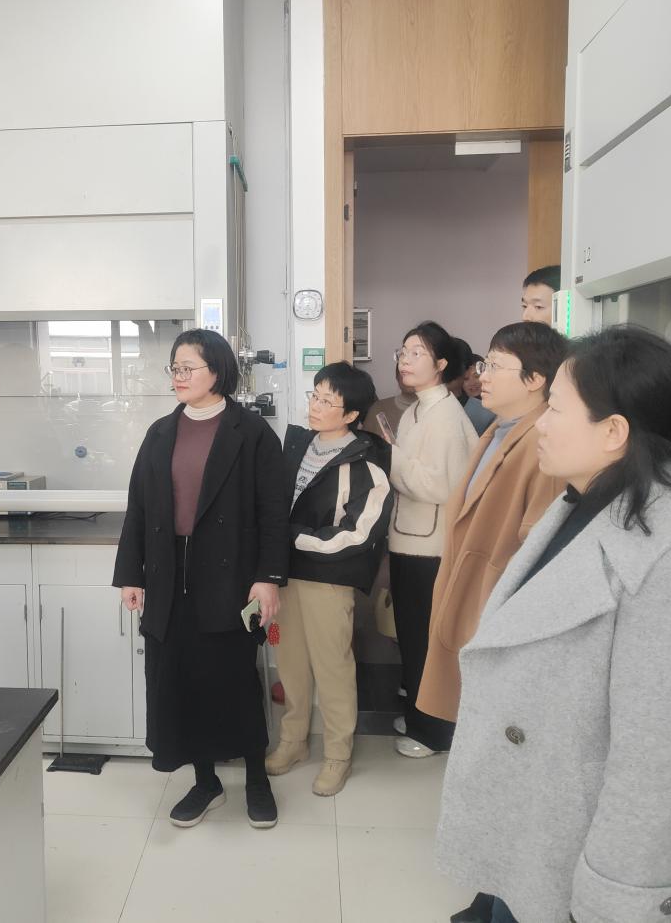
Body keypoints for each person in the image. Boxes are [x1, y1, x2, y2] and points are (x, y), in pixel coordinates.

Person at [435, 326, 671, 923]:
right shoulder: (583, 504)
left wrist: (612, 899)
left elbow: (656, 767)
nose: (542, 424)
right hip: (537, 827)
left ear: (613, 431)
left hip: (582, 860)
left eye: (556, 408)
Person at [113, 329, 289, 830]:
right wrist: (131, 574)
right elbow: (138, 508)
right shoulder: (160, 432)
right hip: (169, 577)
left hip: (230, 578)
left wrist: (268, 578)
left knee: (233, 680)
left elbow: (274, 513)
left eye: (187, 367)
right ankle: (206, 781)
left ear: (218, 370)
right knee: (180, 681)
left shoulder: (251, 432)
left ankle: (256, 778)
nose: (179, 376)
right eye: (174, 367)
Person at [411, 322, 568, 769]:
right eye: (485, 365)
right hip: (472, 594)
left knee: (497, 740)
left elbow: (539, 554)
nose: (483, 376)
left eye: (496, 366)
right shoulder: (500, 429)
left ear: (535, 379)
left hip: (496, 609)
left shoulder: (542, 443)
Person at [266, 362, 392, 796]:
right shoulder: (297, 443)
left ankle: (338, 754)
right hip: (284, 575)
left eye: (327, 401)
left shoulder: (367, 461)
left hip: (328, 578)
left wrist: (294, 537)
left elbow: (360, 533)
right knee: (290, 663)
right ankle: (293, 741)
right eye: (315, 395)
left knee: (333, 667)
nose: (316, 406)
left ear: (351, 414)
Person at [387, 321, 479, 758]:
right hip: (409, 540)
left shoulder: (445, 415)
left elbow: (441, 486)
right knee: (412, 638)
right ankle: (421, 718)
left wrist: (391, 458)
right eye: (403, 352)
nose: (405, 360)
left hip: (431, 548)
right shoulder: (417, 410)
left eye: (417, 353)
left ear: (441, 364)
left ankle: (435, 732)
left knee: (428, 643)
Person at [364, 363, 415, 442]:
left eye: (413, 373)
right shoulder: (378, 408)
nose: (409, 378)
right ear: (397, 377)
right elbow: (366, 444)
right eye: (404, 373)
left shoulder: (434, 409)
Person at [456, 350, 495, 437]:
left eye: (476, 376)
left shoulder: (497, 406)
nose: (472, 382)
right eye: (466, 379)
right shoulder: (456, 409)